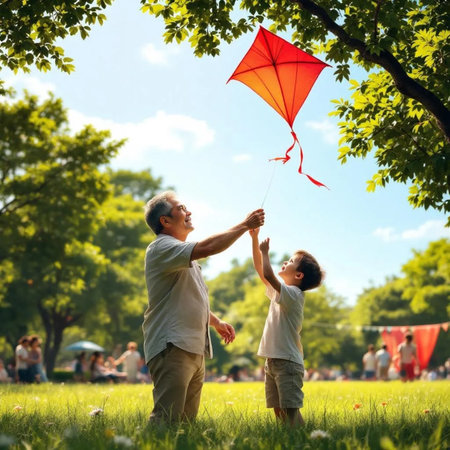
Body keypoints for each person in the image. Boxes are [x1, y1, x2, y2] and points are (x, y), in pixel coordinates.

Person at [143, 191, 265, 423]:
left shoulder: (180, 253)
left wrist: (216, 322)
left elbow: (188, 297)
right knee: (165, 421)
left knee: (186, 425)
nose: (188, 212)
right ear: (165, 221)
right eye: (181, 208)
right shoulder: (162, 247)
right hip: (172, 345)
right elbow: (209, 246)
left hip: (191, 346)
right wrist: (244, 225)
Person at [250, 228, 323, 426]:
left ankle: (300, 439)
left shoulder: (293, 294)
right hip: (273, 360)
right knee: (278, 410)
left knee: (290, 411)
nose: (285, 262)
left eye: (290, 261)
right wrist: (254, 238)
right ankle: (289, 439)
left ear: (298, 275)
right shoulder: (281, 293)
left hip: (287, 362)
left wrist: (265, 252)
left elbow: (268, 273)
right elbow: (260, 270)